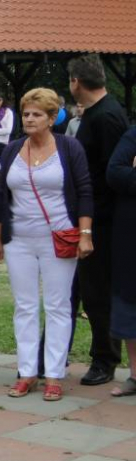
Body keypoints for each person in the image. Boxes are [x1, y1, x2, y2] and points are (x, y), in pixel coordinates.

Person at [0, 88, 93, 402]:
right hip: (19, 239)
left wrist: (85, 234)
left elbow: (85, 190)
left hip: (59, 237)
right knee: (24, 307)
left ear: (51, 118)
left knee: (58, 306)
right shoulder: (12, 150)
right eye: (26, 114)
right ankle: (27, 372)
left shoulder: (69, 147)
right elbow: (0, 195)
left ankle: (54, 374)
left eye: (37, 114)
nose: (30, 119)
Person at [68, 53, 129, 386]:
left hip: (102, 222)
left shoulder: (106, 118)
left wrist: (89, 220)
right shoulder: (97, 113)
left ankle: (105, 359)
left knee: (98, 293)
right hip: (90, 216)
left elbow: (111, 173)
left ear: (76, 82)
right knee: (86, 292)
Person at [107, 127, 136, 397]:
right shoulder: (133, 135)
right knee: (130, 303)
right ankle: (135, 376)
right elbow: (115, 172)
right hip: (131, 236)